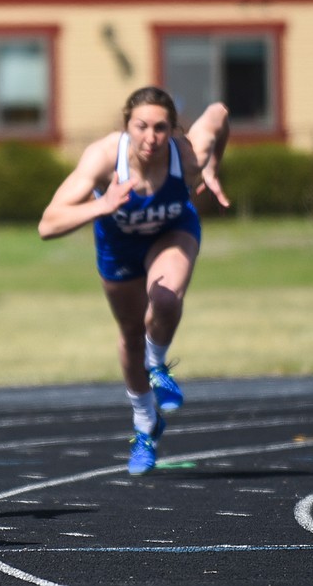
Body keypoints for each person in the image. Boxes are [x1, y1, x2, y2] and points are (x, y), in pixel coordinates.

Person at [38, 86, 229, 475]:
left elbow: (220, 114)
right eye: (141, 126)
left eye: (161, 128)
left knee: (166, 296)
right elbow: (48, 223)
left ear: (173, 130)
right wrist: (102, 205)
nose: (151, 138)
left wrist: (213, 167)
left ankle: (157, 366)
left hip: (171, 231)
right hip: (118, 243)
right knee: (129, 333)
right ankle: (145, 425)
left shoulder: (189, 155)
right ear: (127, 125)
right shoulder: (105, 157)